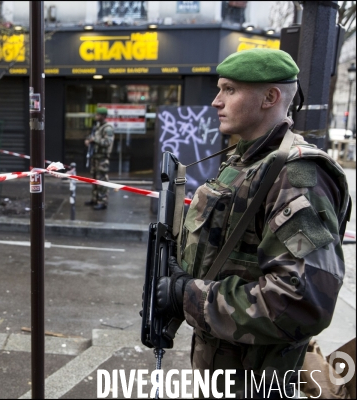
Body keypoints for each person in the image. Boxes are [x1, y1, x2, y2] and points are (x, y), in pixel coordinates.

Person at [154, 48, 351, 397]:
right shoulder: (244, 162)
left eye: (229, 89)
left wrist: (189, 296)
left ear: (270, 97)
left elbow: (304, 302)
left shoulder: (297, 175)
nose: (216, 101)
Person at [84, 107, 114, 210]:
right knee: (94, 179)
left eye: (98, 115)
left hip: (102, 158)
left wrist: (94, 140)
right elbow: (91, 137)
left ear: (103, 116)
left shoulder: (108, 128)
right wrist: (88, 140)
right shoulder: (97, 127)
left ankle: (102, 201)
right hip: (95, 157)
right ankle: (95, 199)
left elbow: (107, 142)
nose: (96, 116)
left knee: (102, 180)